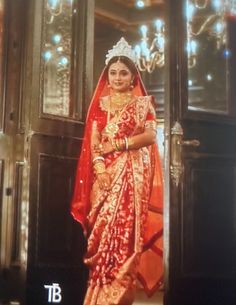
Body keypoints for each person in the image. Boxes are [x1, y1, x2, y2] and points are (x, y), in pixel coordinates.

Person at [71, 37, 163, 305]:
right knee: (101, 233)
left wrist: (121, 145)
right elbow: (94, 142)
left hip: (132, 178)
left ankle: (119, 295)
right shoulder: (100, 105)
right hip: (105, 176)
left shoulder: (143, 105)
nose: (118, 77)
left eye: (124, 73)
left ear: (134, 76)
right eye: (113, 72)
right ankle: (98, 294)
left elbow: (149, 137)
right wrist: (100, 169)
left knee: (127, 233)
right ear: (107, 75)